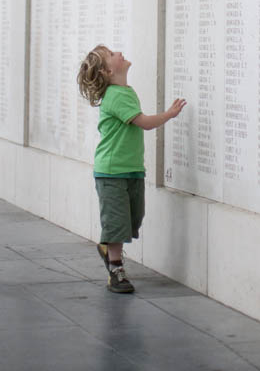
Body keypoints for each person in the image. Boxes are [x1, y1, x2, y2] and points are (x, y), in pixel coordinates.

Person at [77, 45, 186, 293]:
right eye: (112, 54)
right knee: (117, 224)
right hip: (112, 171)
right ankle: (116, 269)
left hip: (132, 169)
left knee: (133, 220)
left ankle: (107, 248)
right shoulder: (116, 96)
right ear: (107, 70)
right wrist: (169, 114)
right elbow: (144, 123)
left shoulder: (126, 92)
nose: (119, 52)